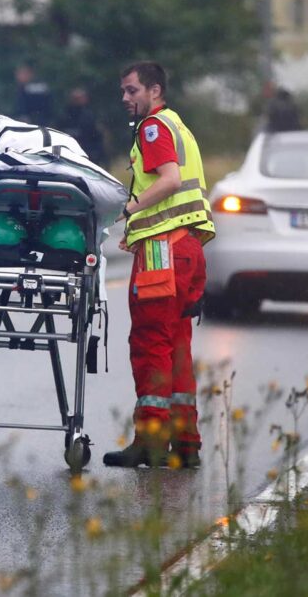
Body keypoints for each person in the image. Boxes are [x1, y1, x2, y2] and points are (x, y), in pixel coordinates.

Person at [104, 61, 215, 470]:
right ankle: (186, 442)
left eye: (132, 91)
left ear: (154, 91)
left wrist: (128, 210)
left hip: (164, 252)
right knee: (177, 347)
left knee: (151, 344)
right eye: (123, 92)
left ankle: (151, 441)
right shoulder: (177, 125)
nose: (126, 99)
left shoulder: (153, 128)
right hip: (187, 249)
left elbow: (167, 180)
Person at [58, 86, 106, 164]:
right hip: (68, 155)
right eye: (75, 99)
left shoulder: (90, 117)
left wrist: (97, 154)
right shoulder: (64, 117)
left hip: (87, 155)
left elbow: (97, 137)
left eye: (80, 98)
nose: (78, 101)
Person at [14, 62, 53, 126]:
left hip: (38, 123)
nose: (19, 76)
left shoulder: (34, 88)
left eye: (23, 73)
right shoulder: (21, 88)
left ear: (30, 74)